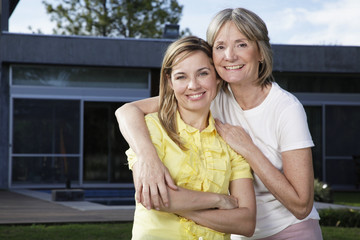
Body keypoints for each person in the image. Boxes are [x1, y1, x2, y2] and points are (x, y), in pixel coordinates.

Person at [116, 8, 323, 240]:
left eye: (242, 44)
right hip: (236, 231)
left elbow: (301, 206)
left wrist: (248, 149)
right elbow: (127, 111)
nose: (230, 56)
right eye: (220, 46)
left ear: (261, 53)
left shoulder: (286, 109)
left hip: (289, 229)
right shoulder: (209, 94)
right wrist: (147, 158)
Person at [124, 36, 256, 240]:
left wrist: (179, 204)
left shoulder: (231, 140)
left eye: (202, 73)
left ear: (217, 77)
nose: (193, 85)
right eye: (181, 77)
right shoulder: (150, 128)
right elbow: (153, 198)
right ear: (170, 81)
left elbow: (246, 223)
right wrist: (219, 200)